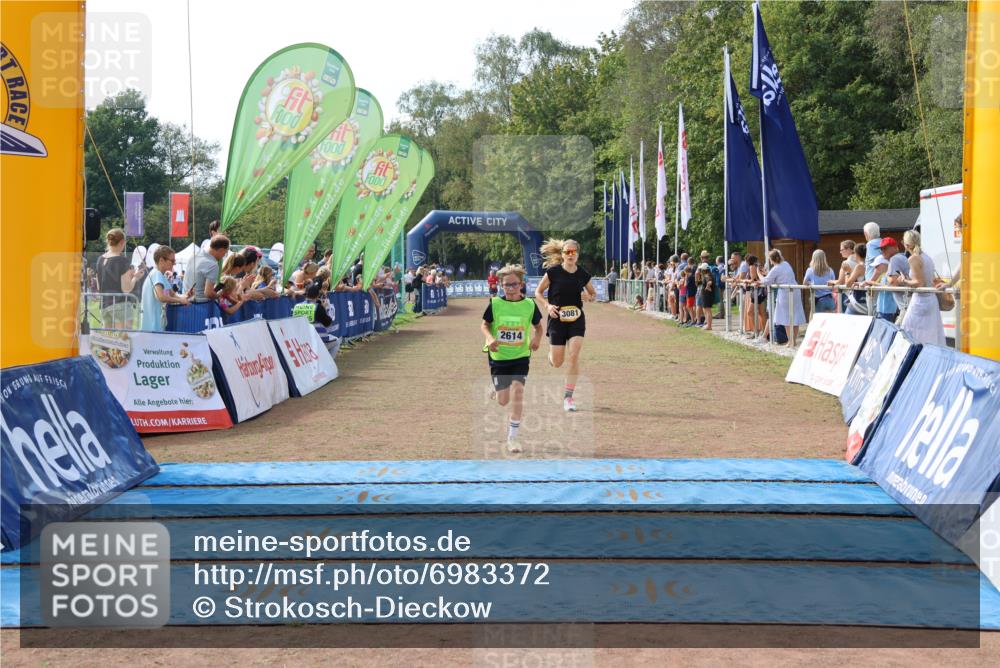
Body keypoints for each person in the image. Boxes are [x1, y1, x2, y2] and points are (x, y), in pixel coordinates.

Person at [481, 264, 543, 453]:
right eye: (506, 285)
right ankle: (496, 386)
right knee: (502, 401)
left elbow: (539, 327)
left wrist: (537, 339)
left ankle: (512, 439)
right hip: (499, 357)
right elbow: (484, 325)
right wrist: (490, 338)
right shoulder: (495, 304)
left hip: (520, 357)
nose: (509, 289)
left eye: (513, 285)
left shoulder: (529, 305)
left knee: (518, 393)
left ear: (521, 285)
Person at [534, 238, 596, 412]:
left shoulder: (582, 274)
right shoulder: (553, 272)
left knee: (574, 355)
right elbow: (537, 292)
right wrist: (547, 305)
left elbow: (593, 294)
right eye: (567, 252)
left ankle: (568, 397)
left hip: (576, 318)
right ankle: (551, 358)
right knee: (558, 362)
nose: (570, 255)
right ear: (562, 255)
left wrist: (588, 297)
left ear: (577, 254)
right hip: (557, 319)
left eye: (573, 252)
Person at [890, 230, 945, 346]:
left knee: (908, 333)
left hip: (921, 300)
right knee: (931, 335)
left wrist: (904, 280)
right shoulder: (927, 257)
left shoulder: (913, 258)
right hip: (931, 300)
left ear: (907, 245)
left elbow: (919, 283)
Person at [96, 228, 144, 328]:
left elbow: (98, 286)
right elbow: (126, 289)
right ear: (122, 242)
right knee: (123, 340)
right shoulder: (122, 261)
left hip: (104, 305)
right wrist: (135, 277)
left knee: (108, 340)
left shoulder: (100, 259)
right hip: (120, 306)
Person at [759, 249, 806, 347]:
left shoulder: (776, 268)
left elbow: (766, 281)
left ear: (772, 259)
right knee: (795, 316)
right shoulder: (786, 264)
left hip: (785, 293)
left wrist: (759, 274)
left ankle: (791, 340)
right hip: (795, 291)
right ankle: (793, 340)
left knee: (786, 317)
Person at [141, 246, 189, 331]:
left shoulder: (160, 275)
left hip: (154, 326)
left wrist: (185, 296)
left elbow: (172, 294)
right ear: (161, 261)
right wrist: (180, 300)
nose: (174, 264)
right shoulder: (157, 274)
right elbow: (161, 297)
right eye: (172, 261)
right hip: (153, 327)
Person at [866, 237, 909, 322]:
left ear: (895, 247)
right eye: (881, 249)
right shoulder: (901, 257)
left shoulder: (894, 259)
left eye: (885, 248)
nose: (883, 251)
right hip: (904, 306)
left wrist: (887, 275)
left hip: (904, 306)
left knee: (899, 333)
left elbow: (892, 282)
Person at [186, 234, 229, 301]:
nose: (223, 256)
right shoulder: (213, 265)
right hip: (201, 305)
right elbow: (208, 293)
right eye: (224, 253)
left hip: (186, 302)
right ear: (221, 250)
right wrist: (219, 295)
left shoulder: (194, 255)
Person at [803, 249, 836, 314]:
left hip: (818, 300)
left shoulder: (810, 270)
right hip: (829, 299)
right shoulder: (830, 270)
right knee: (830, 322)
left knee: (817, 321)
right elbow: (833, 283)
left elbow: (804, 283)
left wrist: (810, 283)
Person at [698, 263, 715, 330]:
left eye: (701, 269)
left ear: (704, 270)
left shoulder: (707, 275)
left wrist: (707, 287)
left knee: (707, 310)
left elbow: (709, 282)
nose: (700, 270)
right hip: (705, 295)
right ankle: (708, 324)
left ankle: (709, 326)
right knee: (705, 309)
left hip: (707, 295)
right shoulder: (707, 275)